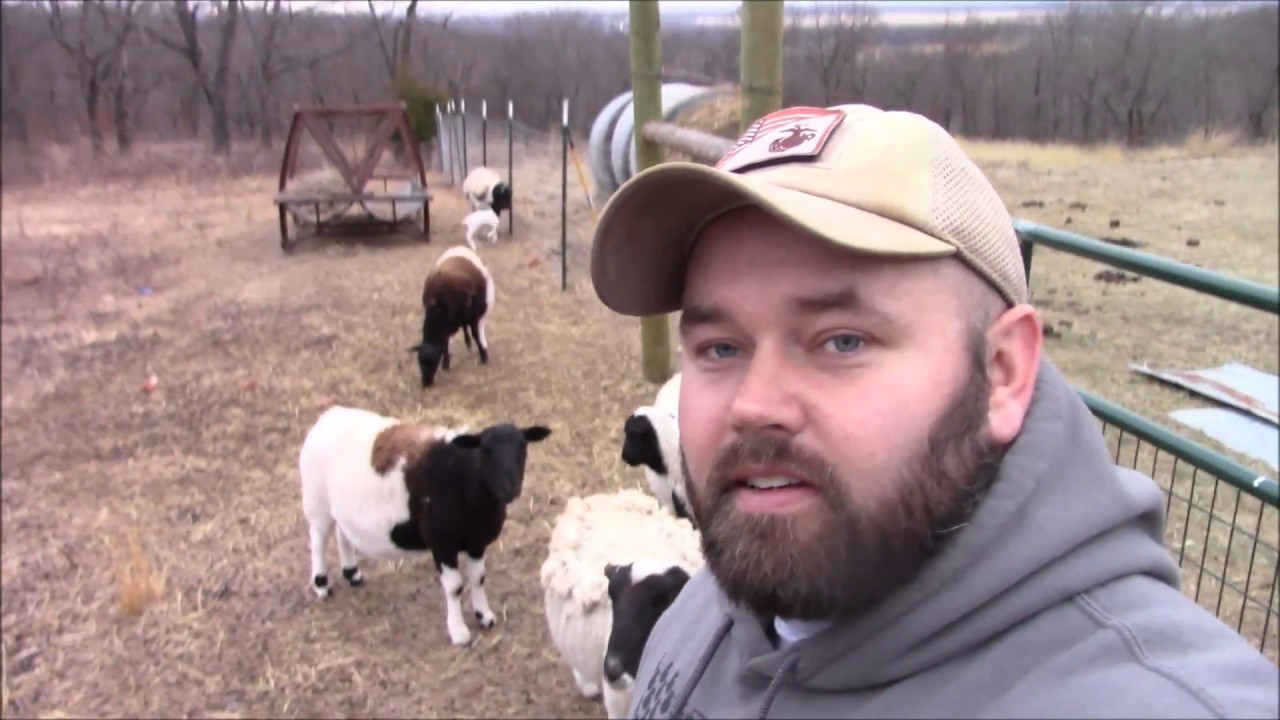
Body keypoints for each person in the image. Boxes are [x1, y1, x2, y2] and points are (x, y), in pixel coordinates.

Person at [588, 104, 1280, 719]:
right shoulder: (702, 614)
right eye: (720, 347)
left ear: (1002, 373)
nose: (754, 404)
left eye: (843, 340)